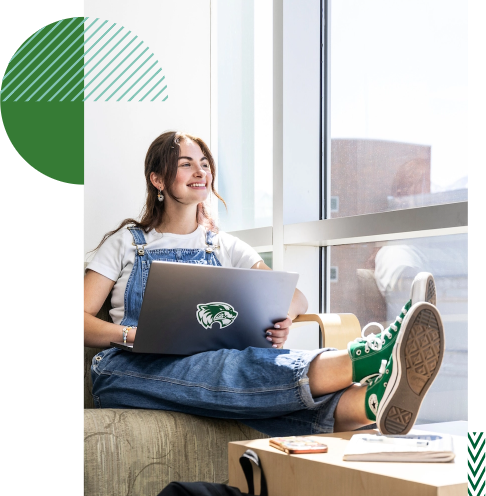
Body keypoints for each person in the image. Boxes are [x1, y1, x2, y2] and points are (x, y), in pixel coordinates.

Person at [83, 131, 445, 436]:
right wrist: (128, 335)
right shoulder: (128, 243)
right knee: (228, 368)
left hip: (208, 363)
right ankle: (369, 357)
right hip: (128, 368)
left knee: (239, 378)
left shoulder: (223, 245)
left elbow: (295, 295)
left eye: (205, 163)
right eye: (186, 163)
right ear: (158, 180)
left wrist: (283, 315)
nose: (200, 171)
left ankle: (372, 402)